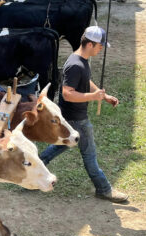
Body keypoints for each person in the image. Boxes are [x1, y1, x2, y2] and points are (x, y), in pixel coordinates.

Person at [40, 26, 128, 203]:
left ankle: (32, 169)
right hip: (76, 119)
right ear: (89, 44)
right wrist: (92, 96)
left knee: (61, 145)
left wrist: (103, 96)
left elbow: (85, 81)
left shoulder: (80, 59)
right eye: (99, 45)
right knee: (89, 155)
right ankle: (104, 189)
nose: (101, 48)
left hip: (71, 118)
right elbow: (67, 93)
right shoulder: (75, 64)